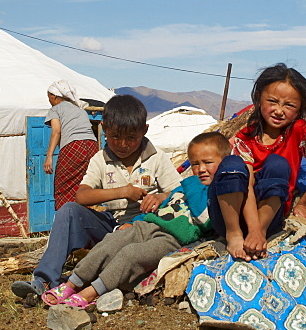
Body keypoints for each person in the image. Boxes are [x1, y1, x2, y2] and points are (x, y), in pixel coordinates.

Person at [11, 94, 182, 300]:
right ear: (104, 129)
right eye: (115, 136)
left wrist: (161, 197)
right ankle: (45, 279)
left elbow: (180, 192)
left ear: (144, 130)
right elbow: (81, 196)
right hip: (111, 225)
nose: (123, 144)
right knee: (69, 211)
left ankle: (90, 284)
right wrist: (123, 192)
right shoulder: (100, 159)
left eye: (131, 138)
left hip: (147, 227)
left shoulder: (156, 158)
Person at [43, 132, 227, 308]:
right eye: (195, 164)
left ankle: (91, 292)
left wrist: (191, 184)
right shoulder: (187, 186)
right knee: (111, 242)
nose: (200, 169)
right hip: (147, 224)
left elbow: (204, 218)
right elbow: (164, 207)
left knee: (132, 254)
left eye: (208, 163)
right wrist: (134, 221)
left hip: (172, 239)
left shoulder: (218, 192)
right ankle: (72, 283)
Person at [213, 63, 306, 261]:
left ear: (301, 107)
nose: (279, 110)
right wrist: (251, 229)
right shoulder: (246, 137)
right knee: (232, 164)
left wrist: (303, 203)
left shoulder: (301, 132)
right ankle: (234, 235)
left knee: (278, 163)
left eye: (289, 105)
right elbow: (248, 185)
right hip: (232, 216)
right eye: (273, 102)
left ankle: (258, 234)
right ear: (259, 99)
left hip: (270, 216)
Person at [43, 80, 99, 210]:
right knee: (85, 182)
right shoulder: (80, 110)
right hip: (92, 146)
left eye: (49, 97)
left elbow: (56, 131)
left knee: (63, 184)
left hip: (73, 146)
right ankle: (89, 212)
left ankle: (66, 217)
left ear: (54, 96)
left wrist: (49, 156)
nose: (49, 101)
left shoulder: (56, 109)